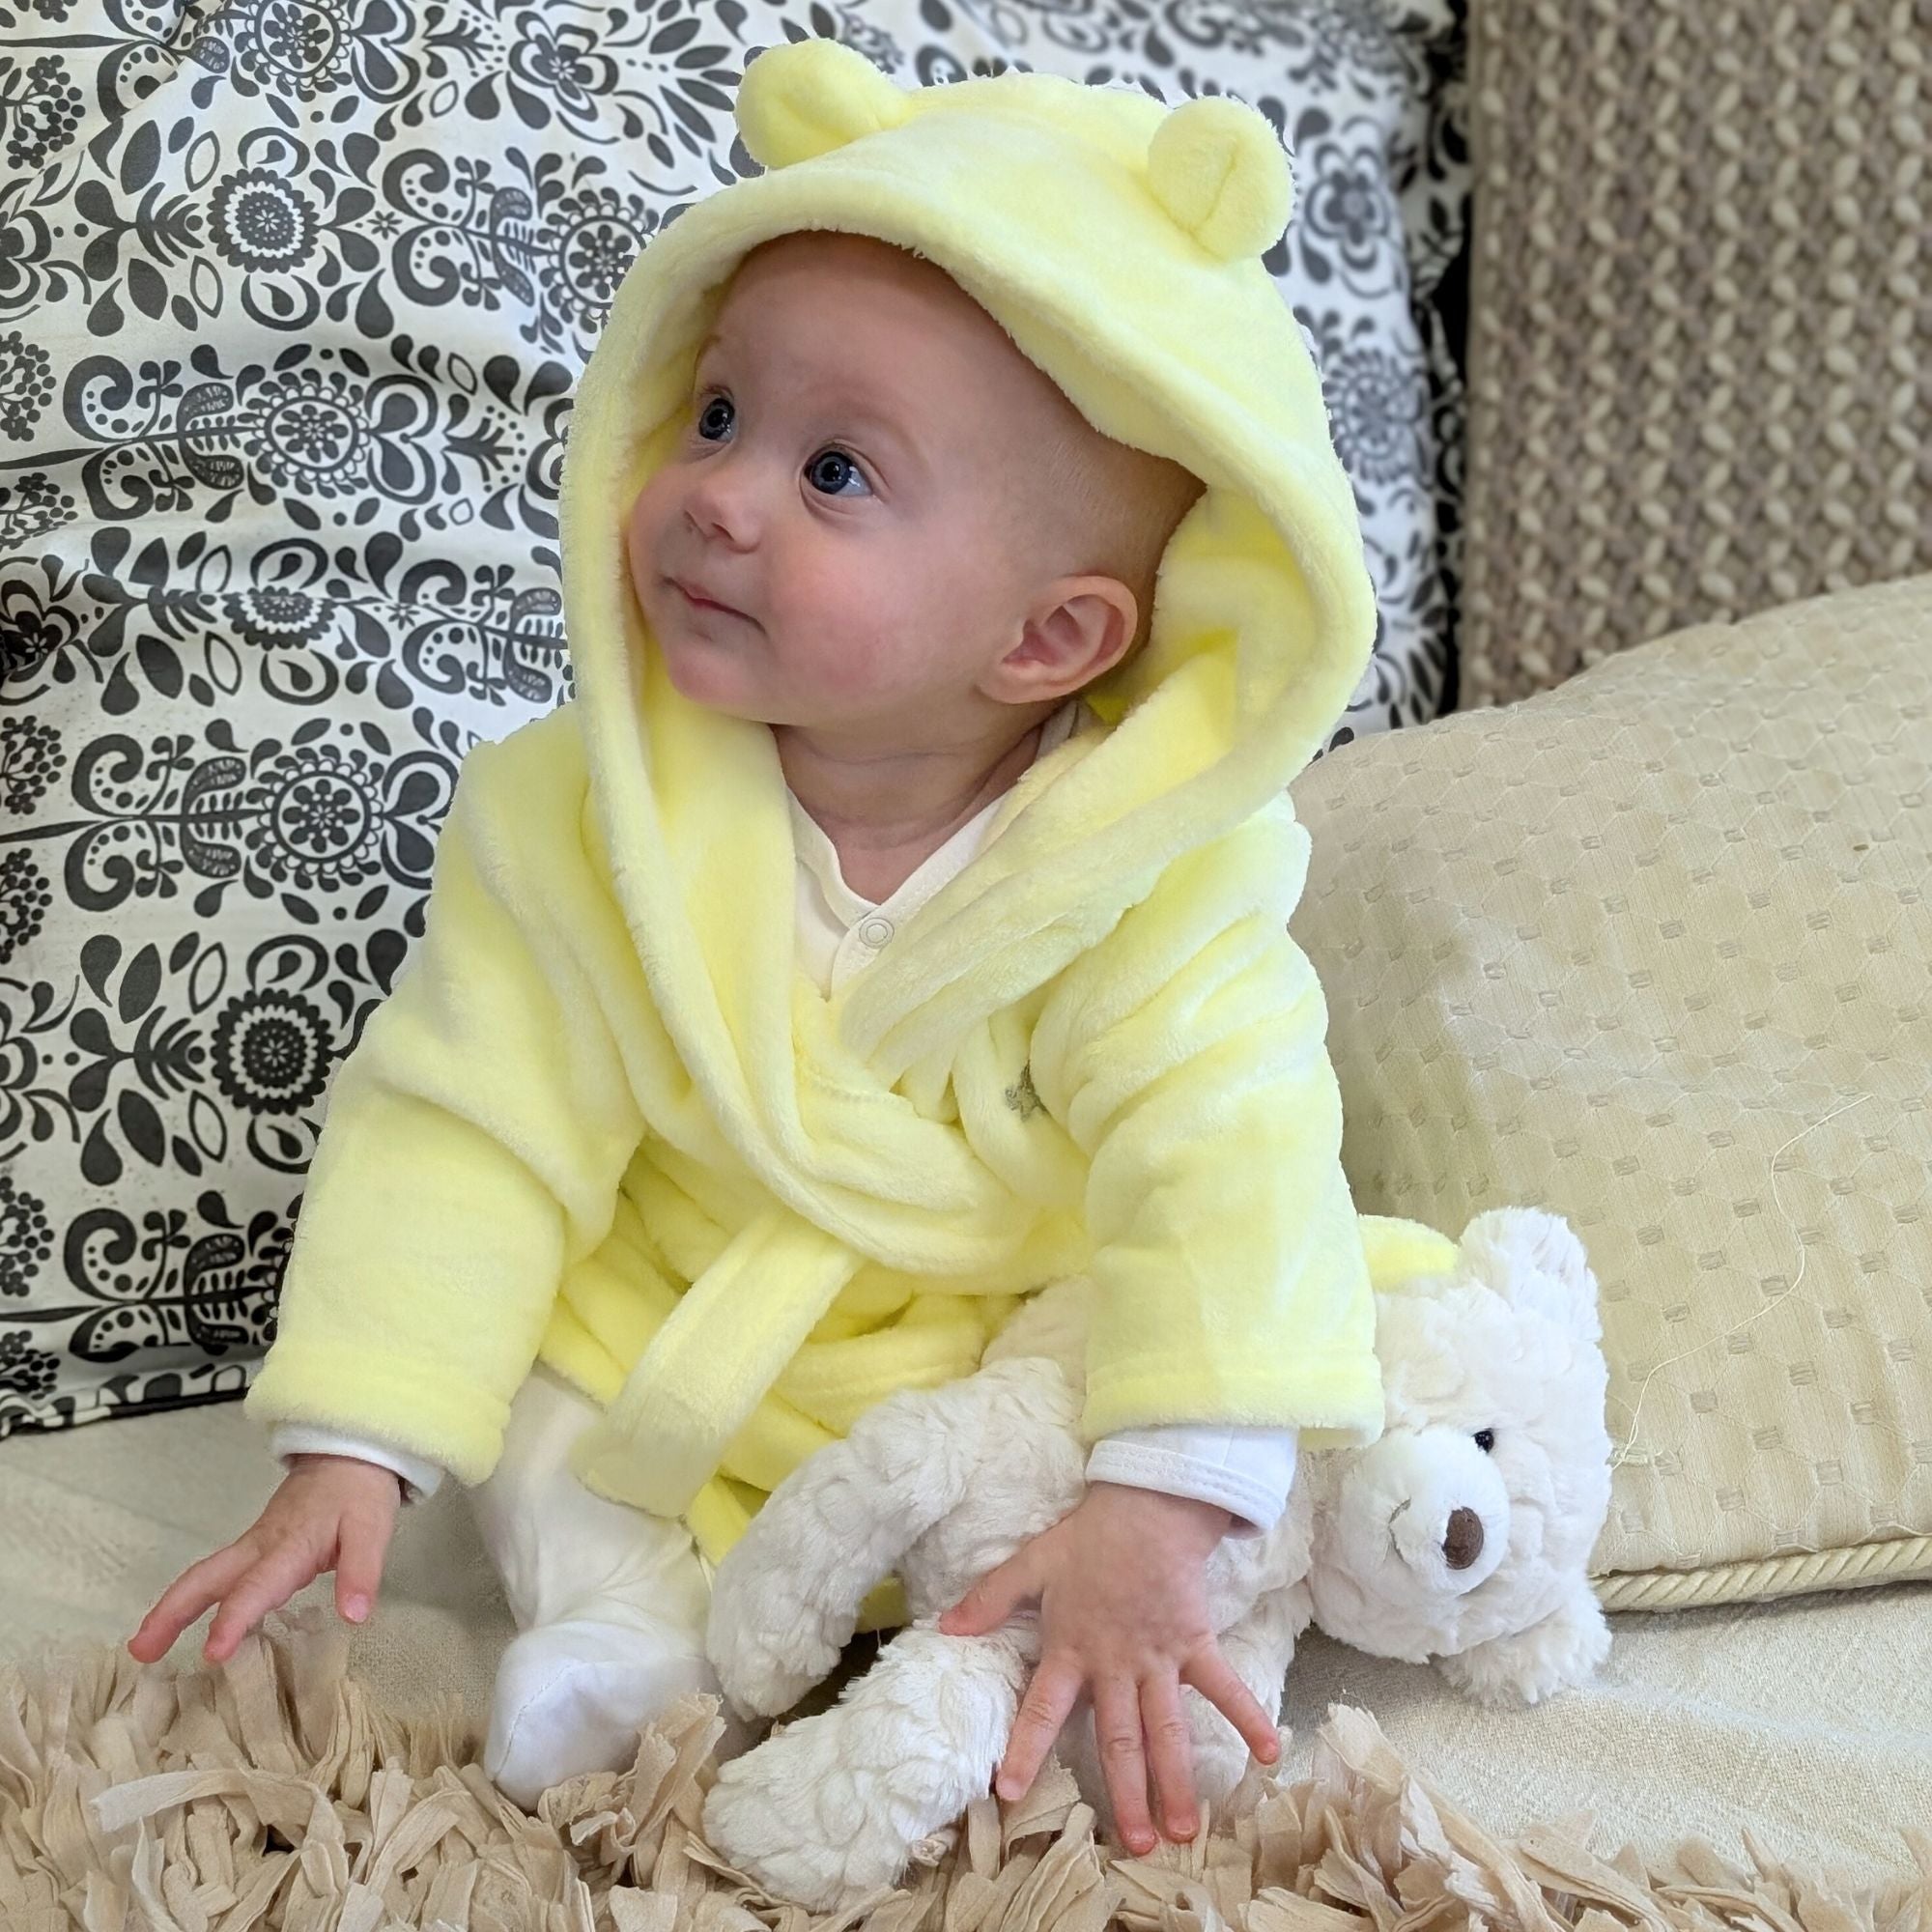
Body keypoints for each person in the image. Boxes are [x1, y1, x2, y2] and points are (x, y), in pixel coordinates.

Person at [127, 39, 1387, 1861]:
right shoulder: (577, 816)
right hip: (669, 1333)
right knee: (552, 1407)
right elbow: (471, 1119)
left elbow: (1234, 1156)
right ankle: (621, 1631)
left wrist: (1165, 1492)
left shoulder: (1153, 876)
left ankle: (1017, 1620)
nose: (720, 494)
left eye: (837, 474)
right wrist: (360, 1434)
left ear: (1049, 641)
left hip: (956, 1359)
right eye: (716, 417)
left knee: (1156, 1379)